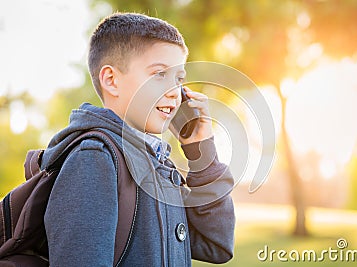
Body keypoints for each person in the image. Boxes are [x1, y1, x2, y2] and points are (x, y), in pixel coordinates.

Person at [41, 12, 235, 266]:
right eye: (158, 75)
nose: (174, 94)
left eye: (178, 79)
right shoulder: (94, 159)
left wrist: (202, 153)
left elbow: (217, 244)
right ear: (111, 80)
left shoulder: (159, 165)